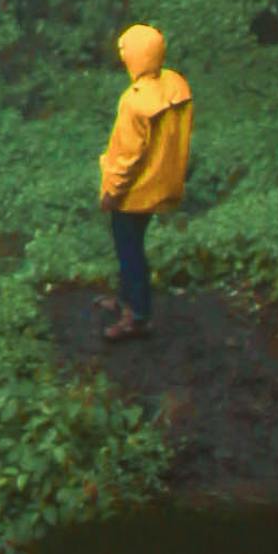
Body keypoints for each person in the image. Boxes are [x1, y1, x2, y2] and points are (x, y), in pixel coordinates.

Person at [97, 22, 193, 342]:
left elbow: (127, 156)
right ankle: (127, 298)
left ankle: (136, 315)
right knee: (132, 245)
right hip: (161, 184)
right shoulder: (176, 85)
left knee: (129, 249)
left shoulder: (134, 101)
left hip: (134, 192)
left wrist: (111, 191)